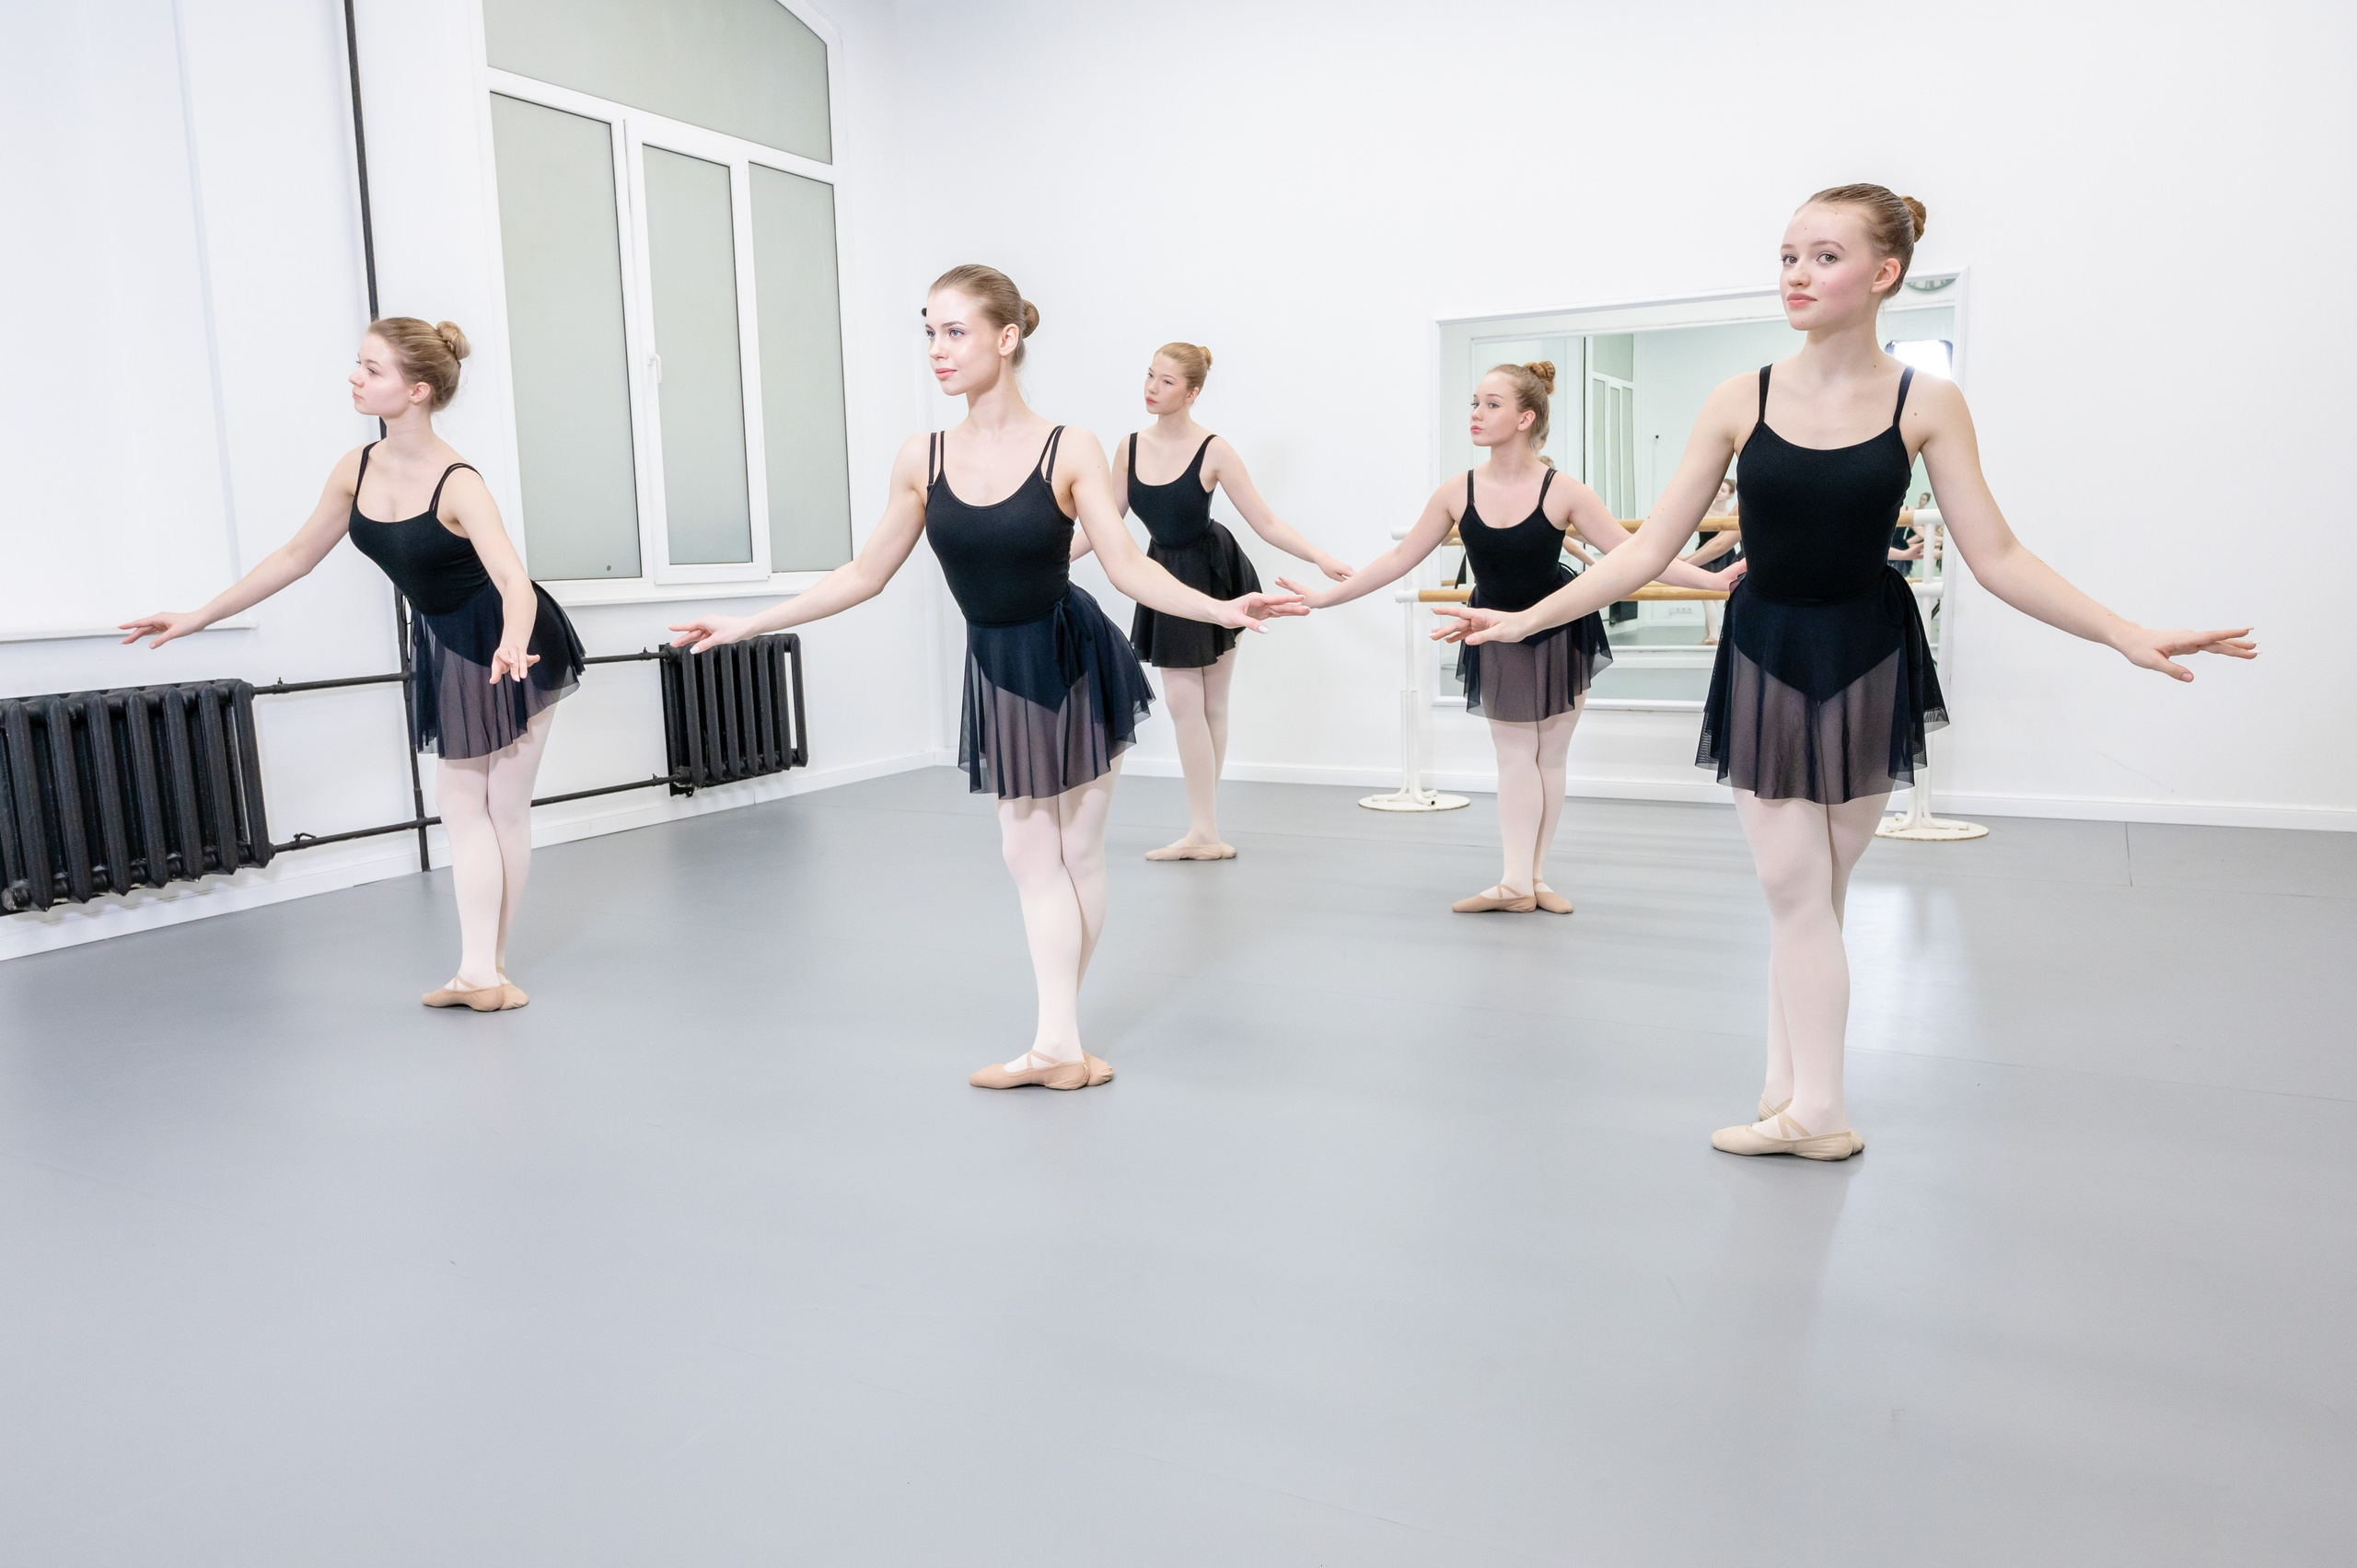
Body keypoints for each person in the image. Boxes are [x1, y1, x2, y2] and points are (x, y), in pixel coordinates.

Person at [1435, 185, 2255, 1159]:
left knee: (1816, 895)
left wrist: (2122, 631)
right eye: (1786, 254)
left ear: (1883, 274)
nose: (1795, 273)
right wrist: (1527, 614)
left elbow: (1996, 554)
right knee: (1792, 886)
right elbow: (1647, 546)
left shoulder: (1927, 401)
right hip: (1767, 651)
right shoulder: (1739, 397)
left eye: (1822, 256)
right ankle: (1814, 1108)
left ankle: (1790, 1092)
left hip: (1868, 651)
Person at [668, 266, 1305, 1090]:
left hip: (1073, 655)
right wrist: (747, 621)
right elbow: (865, 572)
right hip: (997, 667)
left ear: (1007, 339)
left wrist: (1223, 612)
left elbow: (1128, 565)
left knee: (1070, 851)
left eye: (955, 331)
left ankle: (1056, 1043)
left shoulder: (1066, 447)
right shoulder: (921, 458)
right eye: (928, 331)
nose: (937, 349)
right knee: (1030, 853)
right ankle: (1061, 1043)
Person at [122, 318, 585, 1012]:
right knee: (463, 806)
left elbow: (514, 582)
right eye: (358, 364)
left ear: (417, 389)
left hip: (509, 643)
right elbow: (293, 557)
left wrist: (514, 641)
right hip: (450, 641)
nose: (355, 378)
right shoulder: (355, 467)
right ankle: (479, 973)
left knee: (499, 809)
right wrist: (198, 615)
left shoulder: (460, 482)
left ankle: (486, 972)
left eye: (372, 369)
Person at [1283, 361, 1727, 914]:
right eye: (1474, 402)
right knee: (1517, 756)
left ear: (1525, 418)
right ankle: (1516, 881)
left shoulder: (1563, 491)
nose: (1475, 413)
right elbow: (1399, 559)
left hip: (1561, 626)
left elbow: (1635, 552)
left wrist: (1709, 580)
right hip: (1493, 630)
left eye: (1491, 404)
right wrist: (1325, 598)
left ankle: (1533, 879)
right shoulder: (1456, 491)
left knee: (1551, 758)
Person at [1074, 343, 1354, 861]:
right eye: (1149, 376)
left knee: (1211, 704)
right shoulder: (1128, 448)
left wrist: (1319, 556)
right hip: (1163, 574)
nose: (1151, 388)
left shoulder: (1214, 450)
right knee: (1186, 705)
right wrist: (1054, 557)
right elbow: (1106, 521)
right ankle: (1203, 830)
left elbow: (1265, 522)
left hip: (1214, 568)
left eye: (1166, 382)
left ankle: (1205, 829)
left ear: (1192, 392)